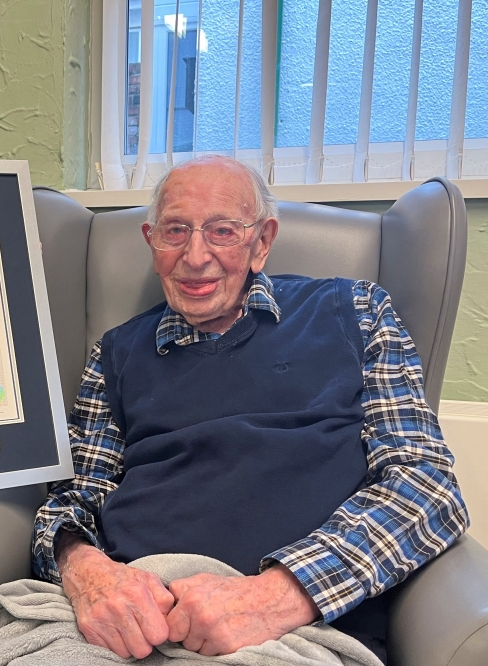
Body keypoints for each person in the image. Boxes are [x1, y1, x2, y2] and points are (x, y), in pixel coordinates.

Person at [32, 155, 469, 664]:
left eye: (222, 231)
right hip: (128, 617)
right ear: (152, 241)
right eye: (176, 231)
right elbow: (74, 498)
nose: (195, 257)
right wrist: (87, 572)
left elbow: (427, 486)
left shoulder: (354, 312)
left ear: (262, 242)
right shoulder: (115, 353)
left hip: (291, 629)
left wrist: (277, 595)